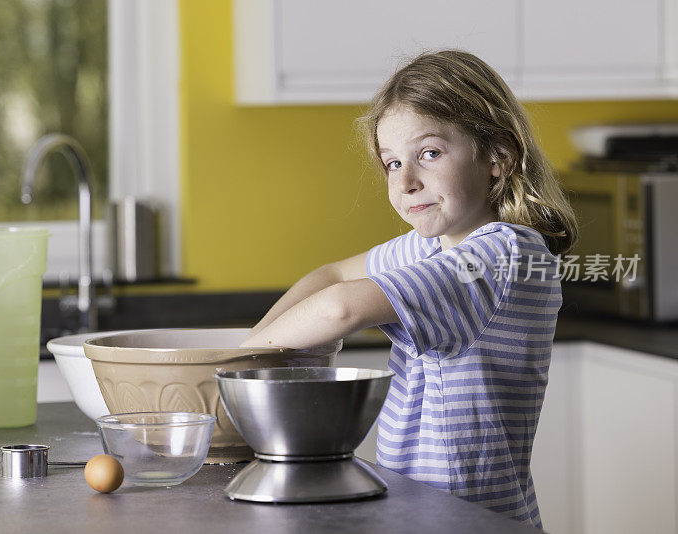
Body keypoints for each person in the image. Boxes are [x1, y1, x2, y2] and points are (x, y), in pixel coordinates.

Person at [241, 49, 578, 528]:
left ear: (499, 157)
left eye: (430, 154)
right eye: (392, 163)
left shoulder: (505, 255)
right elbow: (333, 275)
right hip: (414, 514)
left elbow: (340, 306)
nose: (407, 182)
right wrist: (253, 346)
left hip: (471, 520)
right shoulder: (430, 248)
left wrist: (233, 362)